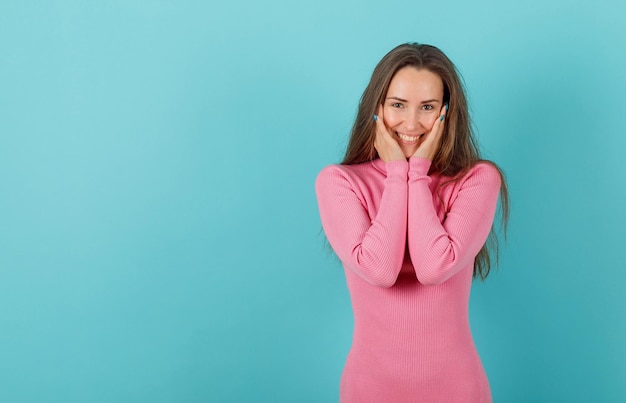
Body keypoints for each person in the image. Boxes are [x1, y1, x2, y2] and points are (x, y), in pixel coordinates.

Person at [315, 43, 509, 403]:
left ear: (446, 114)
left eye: (428, 108)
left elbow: (435, 267)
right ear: (377, 108)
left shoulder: (477, 180)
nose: (411, 123)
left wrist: (414, 174)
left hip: (456, 390)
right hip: (369, 390)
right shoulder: (339, 182)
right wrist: (395, 175)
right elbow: (380, 270)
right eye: (398, 105)